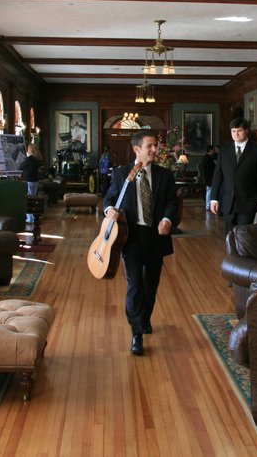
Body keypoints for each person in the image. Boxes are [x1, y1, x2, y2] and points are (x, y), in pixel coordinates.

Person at [103, 131, 178, 356]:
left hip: (156, 237)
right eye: (150, 146)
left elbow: (172, 203)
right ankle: (136, 333)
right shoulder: (120, 174)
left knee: (150, 285)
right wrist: (109, 210)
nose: (155, 150)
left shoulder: (165, 175)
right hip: (130, 238)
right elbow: (108, 198)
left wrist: (167, 219)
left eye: (155, 146)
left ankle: (144, 319)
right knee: (134, 284)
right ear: (137, 149)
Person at [210, 117, 257, 233]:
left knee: (244, 236)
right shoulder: (224, 149)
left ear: (246, 130)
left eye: (239, 130)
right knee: (230, 236)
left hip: (248, 202)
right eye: (233, 131)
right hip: (228, 202)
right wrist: (214, 199)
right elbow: (218, 175)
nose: (236, 134)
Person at [199, 144, 218, 209]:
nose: (214, 151)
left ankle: (208, 205)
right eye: (213, 150)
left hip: (207, 177)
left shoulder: (207, 158)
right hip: (208, 177)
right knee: (209, 191)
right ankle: (208, 205)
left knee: (209, 191)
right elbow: (211, 169)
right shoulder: (207, 159)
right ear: (210, 150)